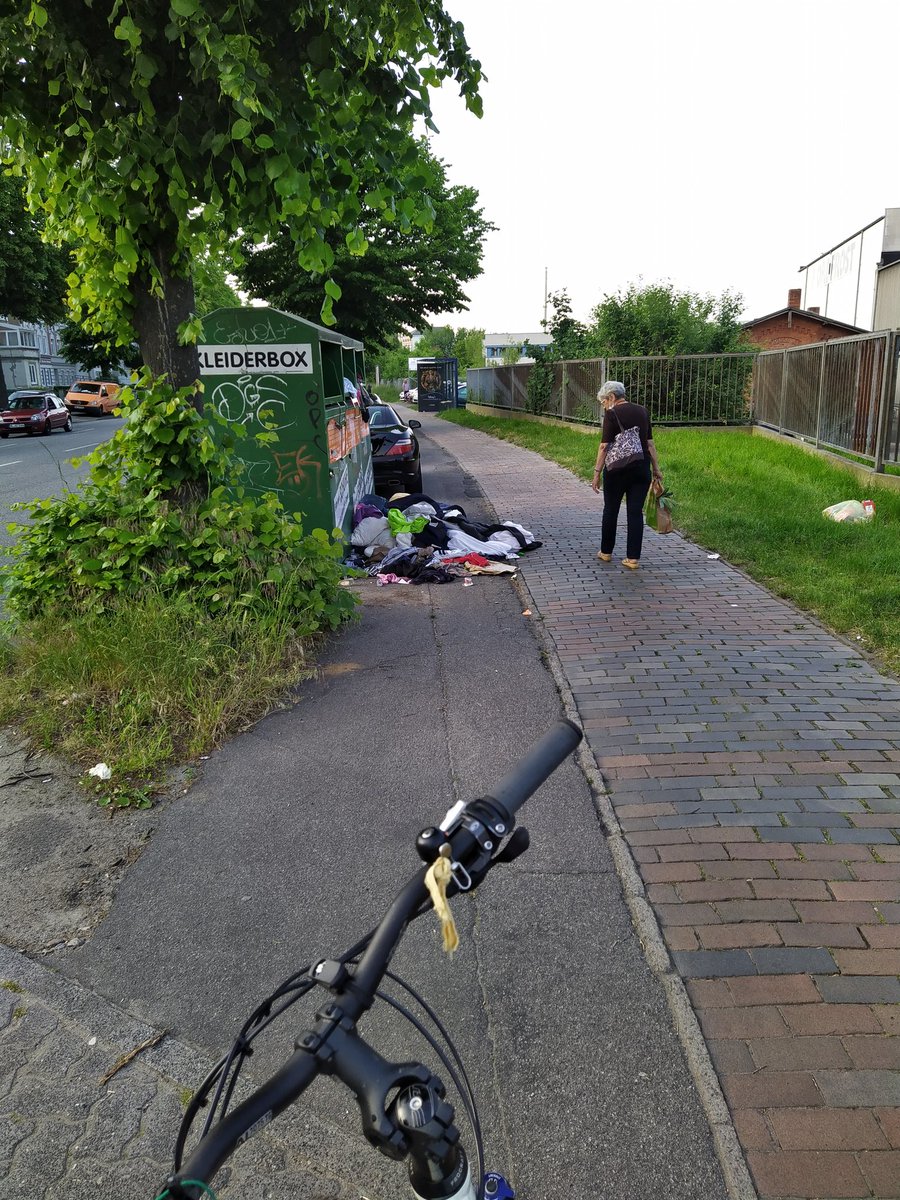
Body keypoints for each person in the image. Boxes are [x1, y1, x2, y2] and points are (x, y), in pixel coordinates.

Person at [590, 381, 663, 569]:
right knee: (635, 512)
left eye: (604, 401)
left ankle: (606, 552)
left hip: (616, 470)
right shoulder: (642, 411)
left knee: (611, 509)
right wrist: (656, 469)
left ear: (612, 397)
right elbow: (650, 444)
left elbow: (604, 446)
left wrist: (597, 472)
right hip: (641, 469)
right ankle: (632, 559)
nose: (604, 405)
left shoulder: (612, 413)